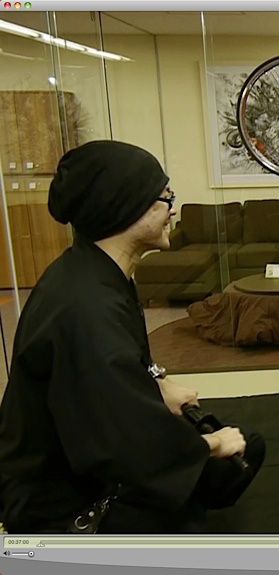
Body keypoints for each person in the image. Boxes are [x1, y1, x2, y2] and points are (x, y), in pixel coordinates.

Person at [0, 140, 264, 533]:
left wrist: (155, 386)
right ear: (124, 206)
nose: (173, 207)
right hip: (66, 504)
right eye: (165, 197)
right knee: (231, 453)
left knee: (249, 444)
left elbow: (103, 387)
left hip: (90, 457)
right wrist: (209, 445)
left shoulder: (90, 274)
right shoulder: (86, 309)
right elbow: (124, 441)